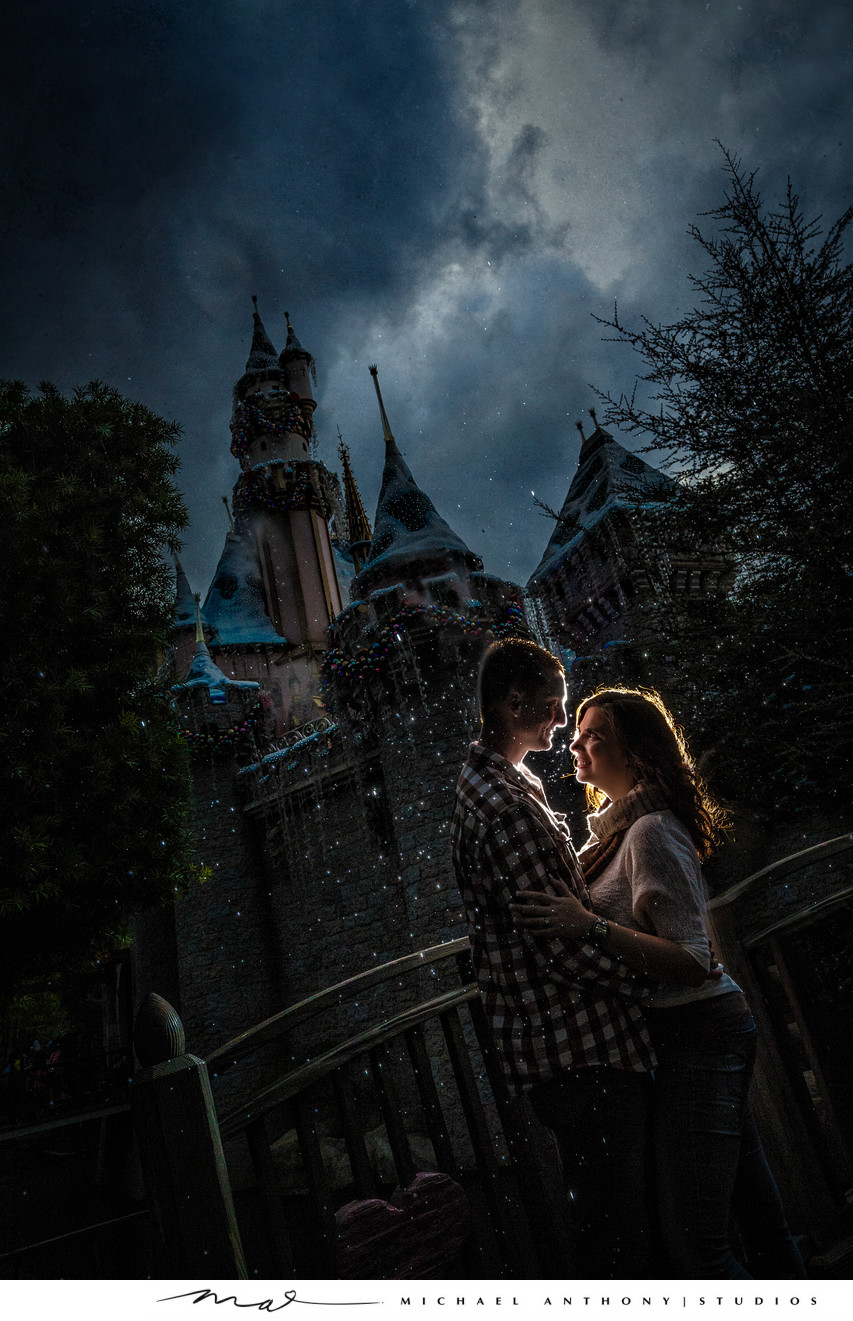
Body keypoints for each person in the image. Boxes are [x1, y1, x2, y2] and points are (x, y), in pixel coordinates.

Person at [511, 686, 805, 1280]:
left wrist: (587, 926)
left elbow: (695, 958)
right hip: (676, 1039)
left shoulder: (649, 833)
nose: (576, 744)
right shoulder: (611, 837)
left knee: (697, 1246)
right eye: (577, 733)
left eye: (594, 734)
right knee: (756, 1216)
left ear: (637, 751)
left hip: (701, 1030)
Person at [452, 638, 662, 1279]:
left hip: (558, 1046)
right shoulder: (508, 809)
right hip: (580, 1049)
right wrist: (655, 972)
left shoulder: (496, 781)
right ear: (514, 703)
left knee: (610, 1220)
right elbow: (562, 945)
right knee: (618, 1231)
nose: (561, 723)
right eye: (550, 708)